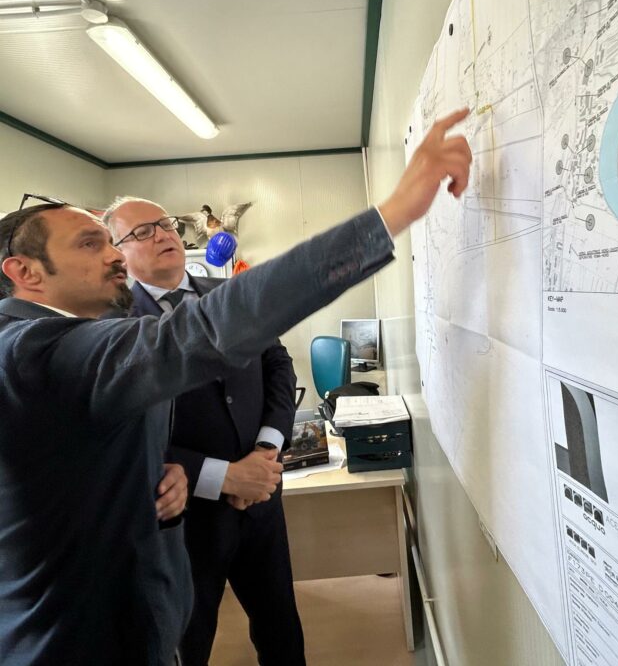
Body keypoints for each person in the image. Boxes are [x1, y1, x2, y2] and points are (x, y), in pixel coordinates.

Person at [0, 108, 472, 665]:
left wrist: (161, 476)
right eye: (90, 244)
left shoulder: (61, 345)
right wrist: (392, 214)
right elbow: (203, 333)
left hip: (145, 606)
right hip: (80, 639)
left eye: (110, 241)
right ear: (24, 272)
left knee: (279, 626)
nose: (112, 256)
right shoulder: (36, 351)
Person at [104, 196, 305, 665]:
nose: (162, 235)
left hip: (261, 499)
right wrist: (223, 476)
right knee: (186, 644)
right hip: (184, 518)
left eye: (165, 224)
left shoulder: (233, 294)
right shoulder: (110, 326)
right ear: (118, 253)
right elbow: (122, 431)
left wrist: (267, 449)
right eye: (142, 232)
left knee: (281, 629)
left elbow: (278, 366)